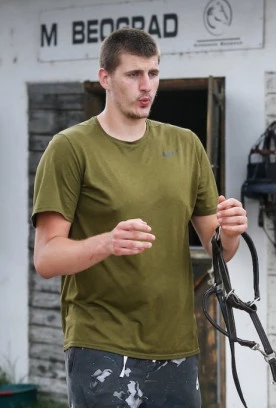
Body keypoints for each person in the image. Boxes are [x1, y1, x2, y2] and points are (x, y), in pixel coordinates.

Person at [32, 28, 247, 407]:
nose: (146, 85)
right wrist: (106, 242)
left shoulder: (186, 145)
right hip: (101, 345)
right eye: (133, 74)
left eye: (153, 73)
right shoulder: (69, 148)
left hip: (176, 344)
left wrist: (229, 232)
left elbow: (219, 250)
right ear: (105, 79)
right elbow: (47, 258)